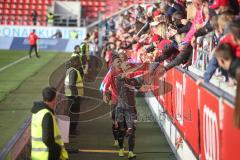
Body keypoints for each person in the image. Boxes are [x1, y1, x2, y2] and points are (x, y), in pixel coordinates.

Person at [31, 87, 69, 160]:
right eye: (56, 98)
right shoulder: (47, 115)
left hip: (37, 155)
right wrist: (57, 149)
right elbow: (46, 139)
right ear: (54, 99)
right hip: (47, 155)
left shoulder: (36, 112)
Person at [64, 55, 84, 134]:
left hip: (71, 95)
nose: (80, 63)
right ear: (75, 62)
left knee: (72, 113)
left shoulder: (71, 70)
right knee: (74, 114)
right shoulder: (73, 71)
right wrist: (75, 95)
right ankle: (72, 130)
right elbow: (72, 84)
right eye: (79, 61)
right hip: (73, 96)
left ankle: (71, 129)